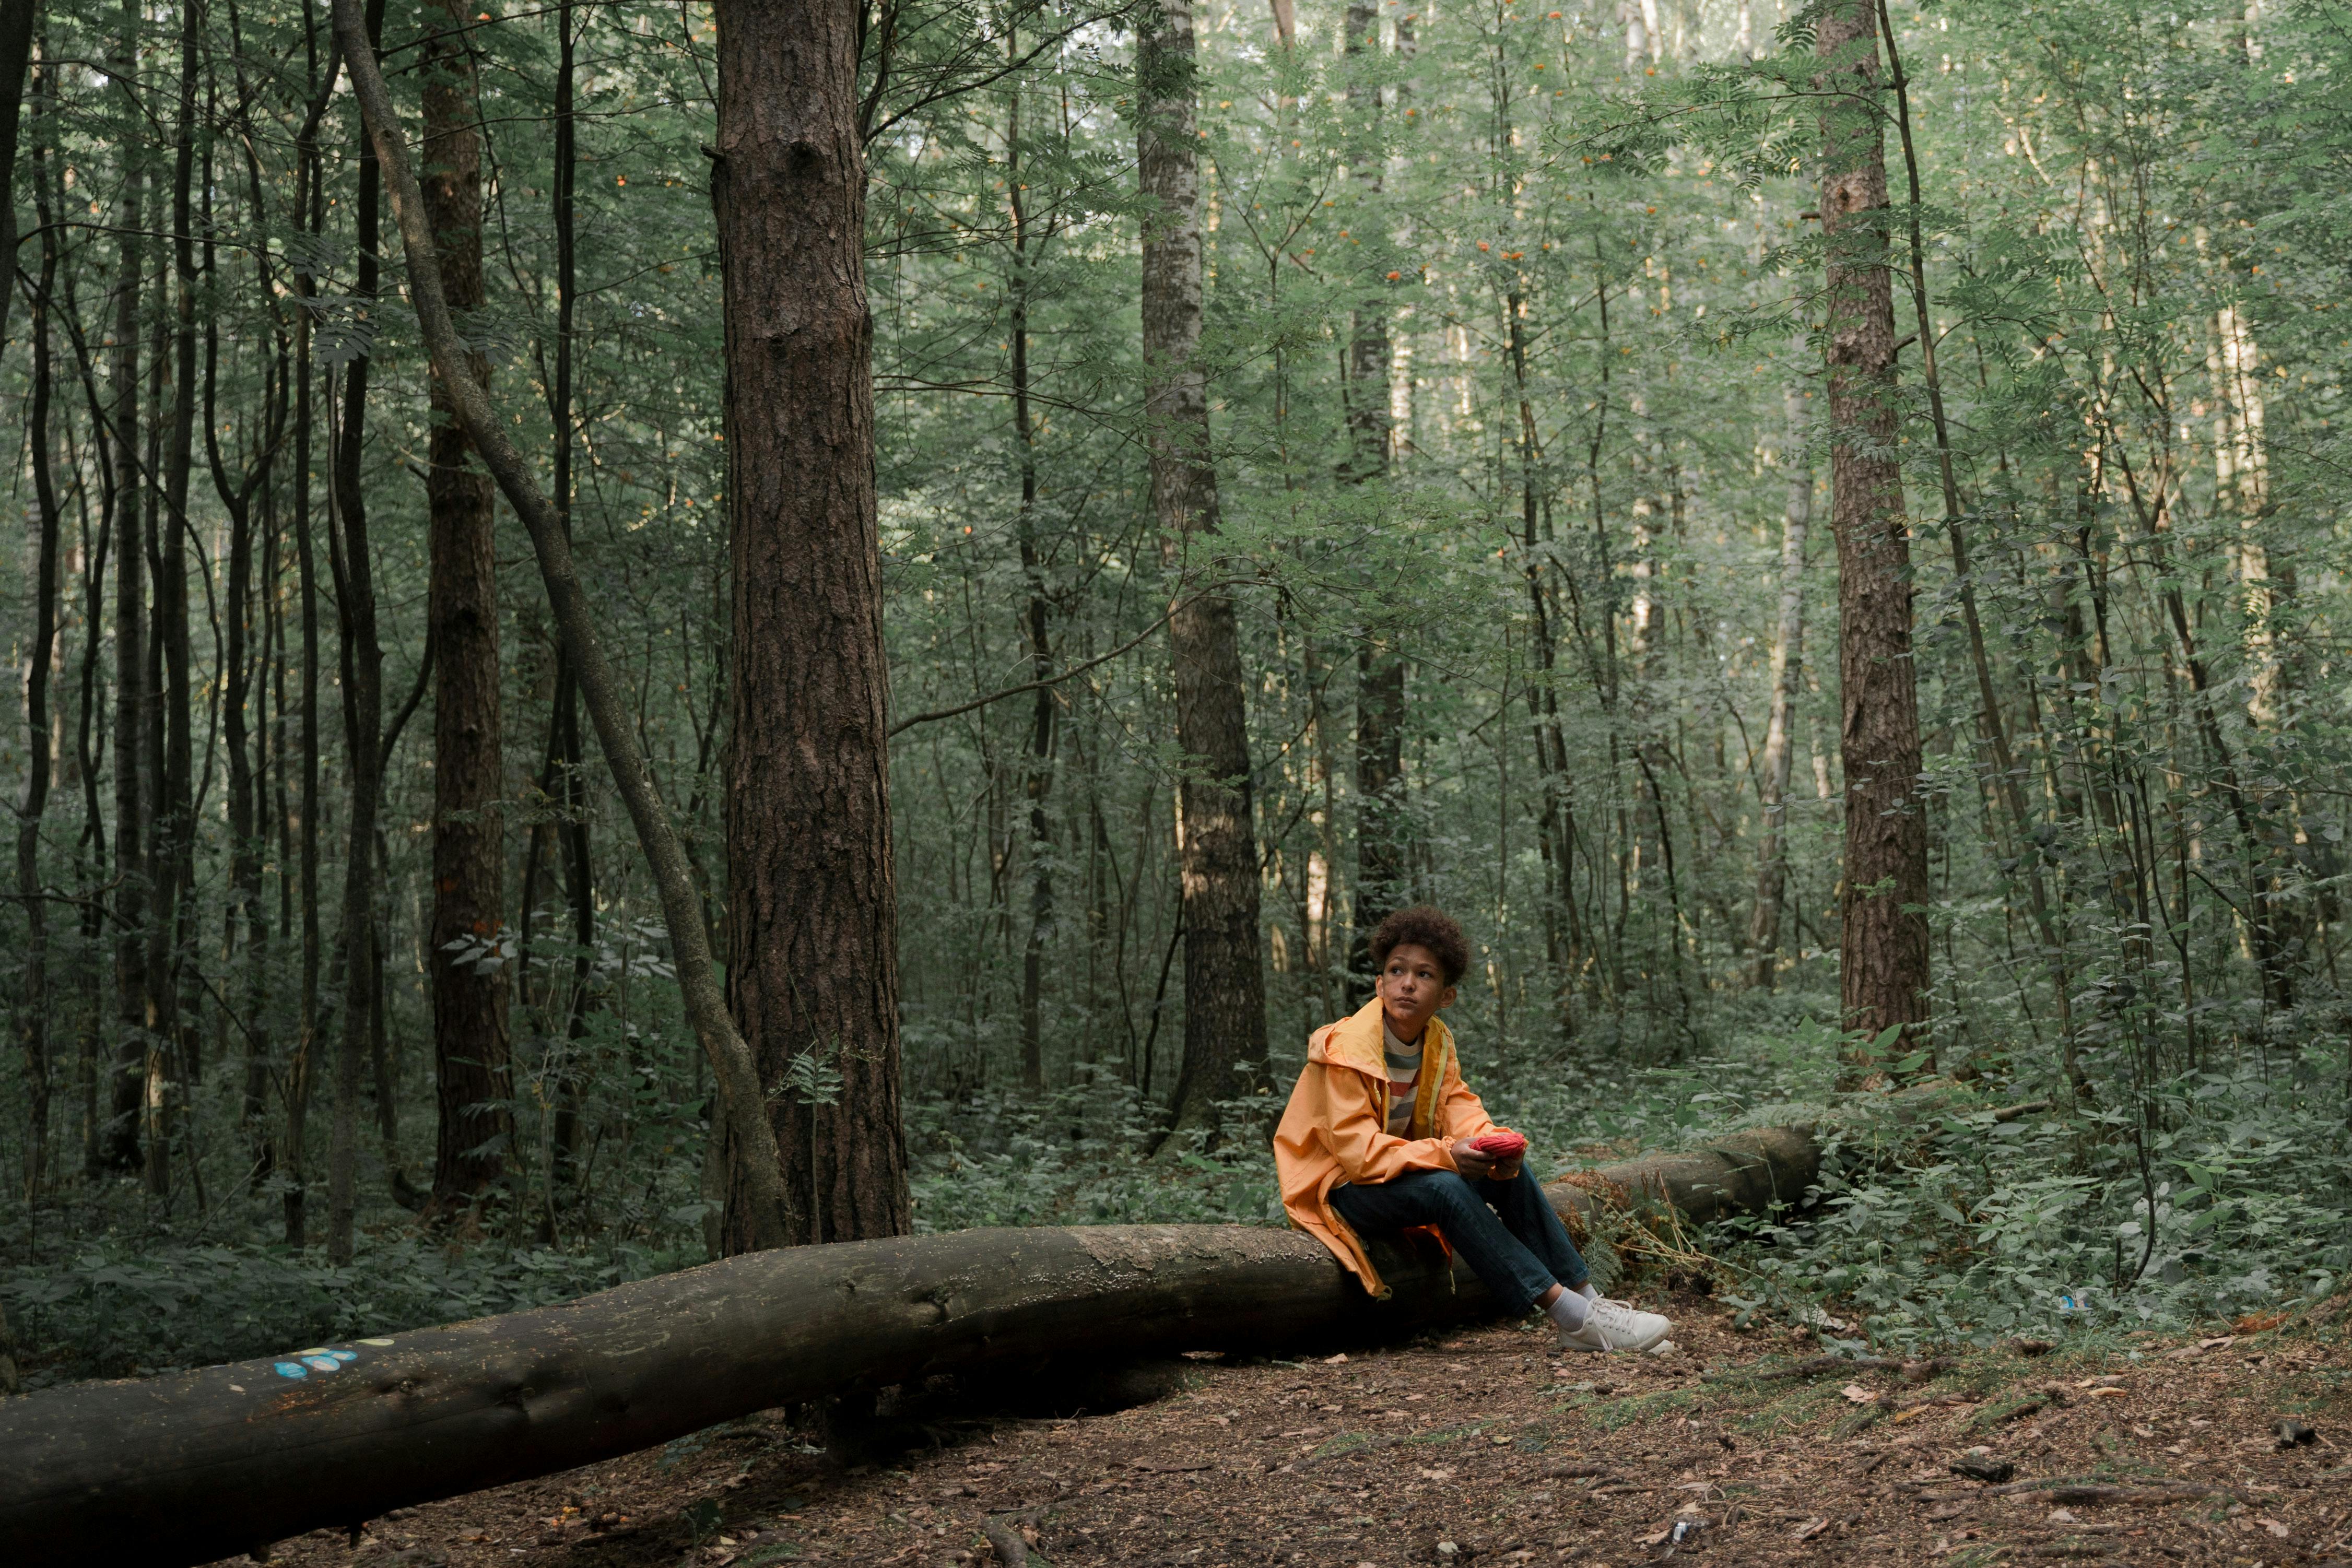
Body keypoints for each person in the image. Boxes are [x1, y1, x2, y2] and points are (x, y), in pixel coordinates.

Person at [1273, 906, 1673, 1353]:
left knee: (1507, 1173)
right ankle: (1572, 1318)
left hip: (1396, 1174)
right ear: (1379, 984)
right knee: (1446, 1185)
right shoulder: (1346, 1048)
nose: (1408, 983)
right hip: (1340, 1187)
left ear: (1446, 995)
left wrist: (1492, 1145)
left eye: (1424, 974)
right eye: (1396, 970)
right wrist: (1447, 1153)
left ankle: (1591, 1302)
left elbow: (1459, 1106)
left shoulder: (1436, 1041)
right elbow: (1360, 1156)